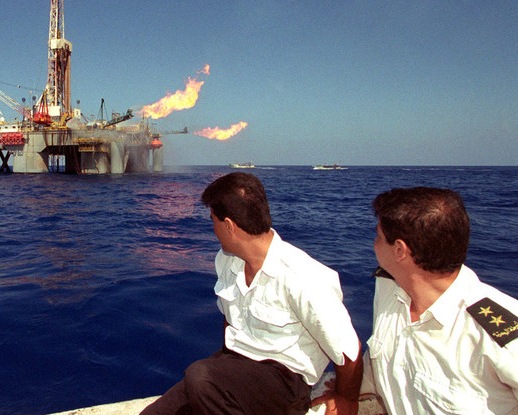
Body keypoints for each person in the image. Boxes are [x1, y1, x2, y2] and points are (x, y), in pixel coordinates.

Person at [141, 172, 362, 415]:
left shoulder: (303, 276)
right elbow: (229, 321)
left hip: (284, 382)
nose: (212, 227)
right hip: (235, 366)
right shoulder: (226, 261)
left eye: (213, 220)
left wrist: (346, 398)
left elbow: (348, 352)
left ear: (229, 226)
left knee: (200, 376)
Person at [361, 187, 518, 414]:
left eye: (378, 236)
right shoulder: (389, 288)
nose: (374, 243)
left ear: (399, 250)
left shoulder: (502, 333)